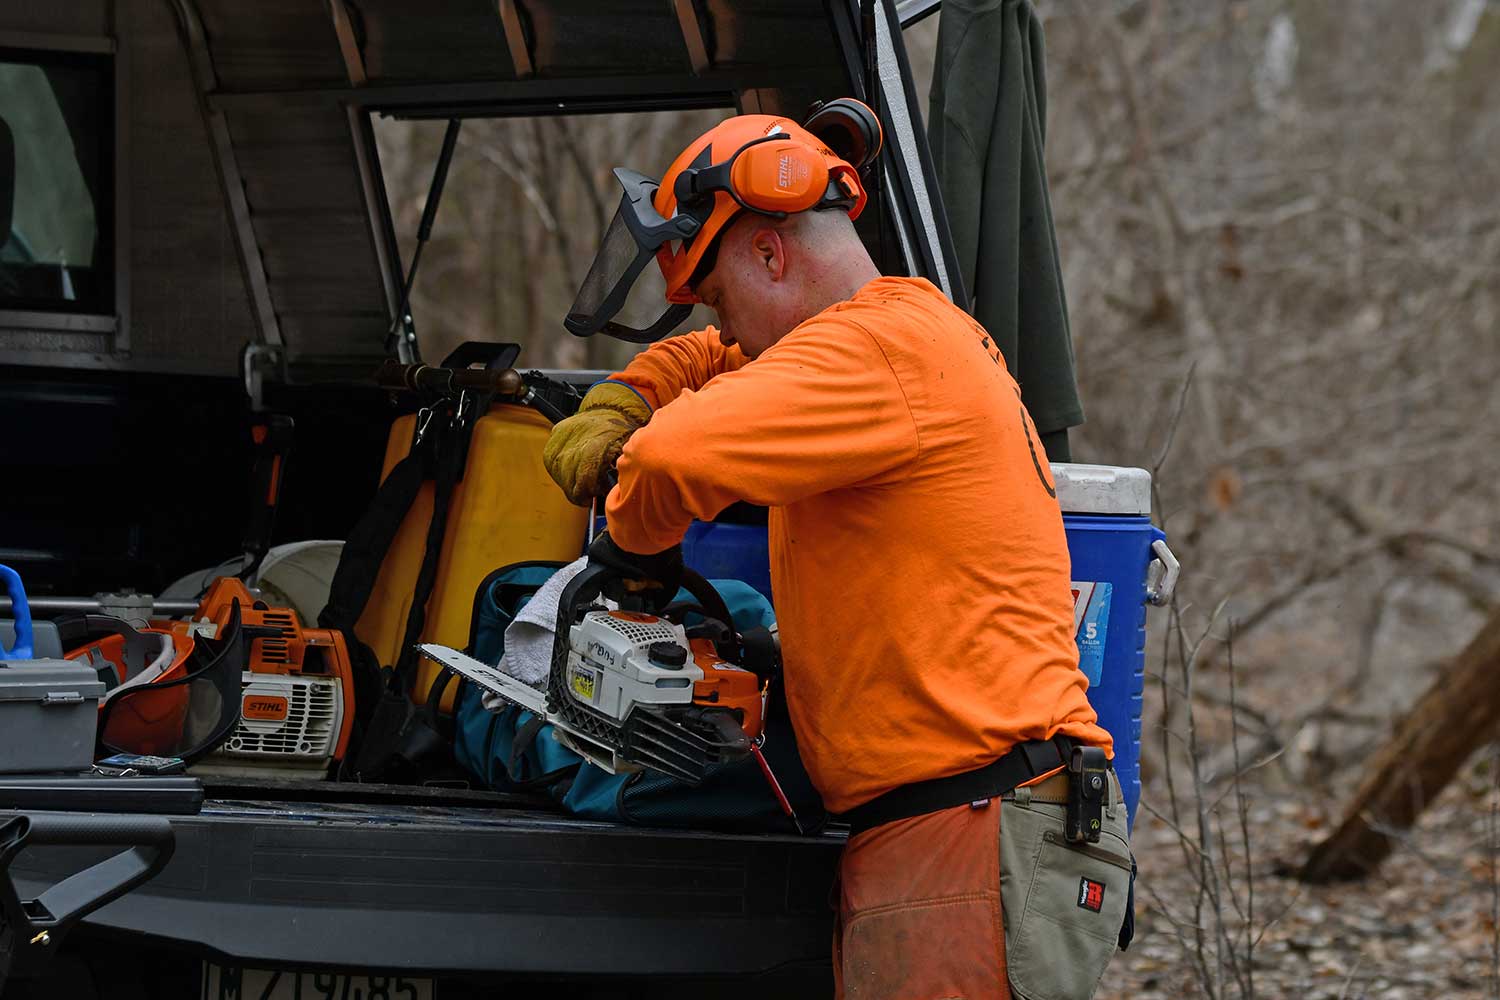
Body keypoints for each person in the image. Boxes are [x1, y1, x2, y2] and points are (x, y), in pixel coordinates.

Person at [545, 106, 1129, 999]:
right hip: (949, 827)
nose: (727, 330)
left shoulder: (879, 351)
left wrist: (634, 560)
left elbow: (673, 458)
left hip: (970, 829)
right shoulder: (888, 341)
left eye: (723, 294)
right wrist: (628, 396)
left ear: (770, 255)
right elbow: (708, 362)